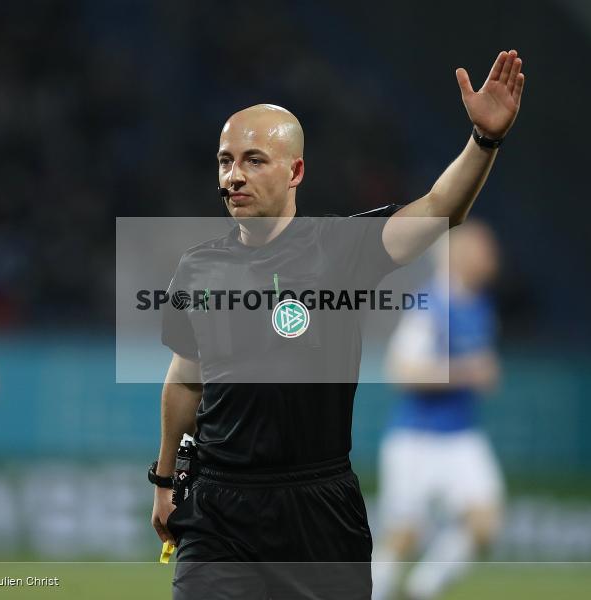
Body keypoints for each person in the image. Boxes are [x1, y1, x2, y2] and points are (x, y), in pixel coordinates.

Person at [149, 50, 525, 599]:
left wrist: (484, 140)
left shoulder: (343, 249)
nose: (234, 175)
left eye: (254, 160)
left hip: (319, 511)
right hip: (219, 509)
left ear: (295, 170)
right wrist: (164, 481)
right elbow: (184, 381)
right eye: (225, 160)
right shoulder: (198, 268)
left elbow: (443, 207)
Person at [372, 220, 504, 600]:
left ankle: (423, 588)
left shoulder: (480, 305)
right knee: (404, 535)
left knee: (485, 523)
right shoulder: (429, 304)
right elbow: (401, 371)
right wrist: (466, 373)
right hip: (417, 437)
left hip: (462, 435)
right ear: (459, 254)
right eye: (483, 248)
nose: (492, 257)